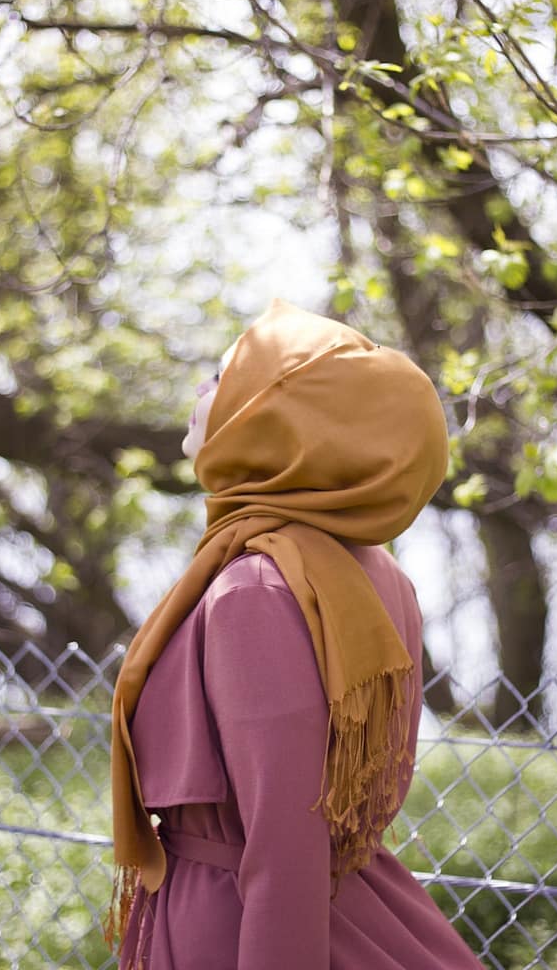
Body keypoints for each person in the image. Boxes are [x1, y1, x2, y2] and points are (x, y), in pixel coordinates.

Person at [109, 299, 485, 969]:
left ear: (273, 414)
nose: (199, 391)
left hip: (246, 928)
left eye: (223, 378)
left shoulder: (256, 587)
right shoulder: (366, 570)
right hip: (338, 903)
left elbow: (285, 843)